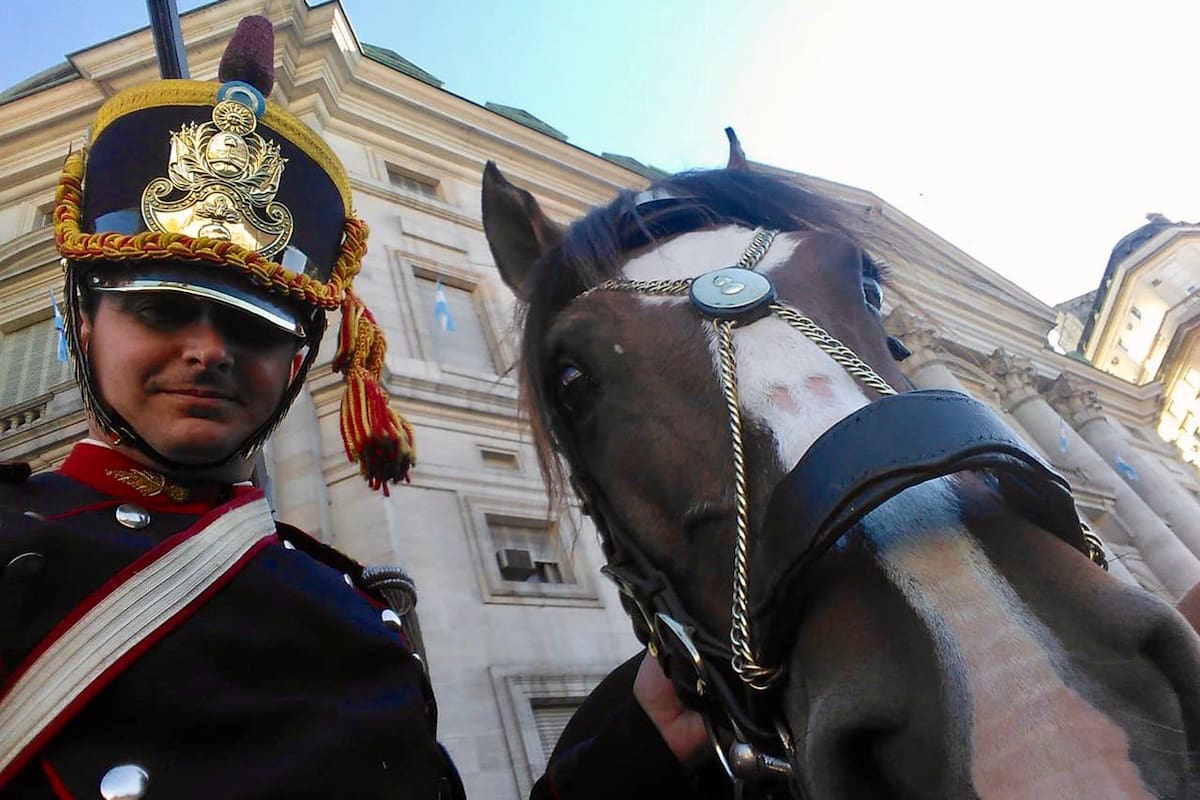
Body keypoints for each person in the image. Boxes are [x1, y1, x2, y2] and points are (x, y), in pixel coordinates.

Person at [0, 16, 461, 799]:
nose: (210, 350)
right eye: (161, 308)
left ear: (296, 365)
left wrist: (638, 741)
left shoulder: (357, 618)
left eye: (254, 327)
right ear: (81, 326)